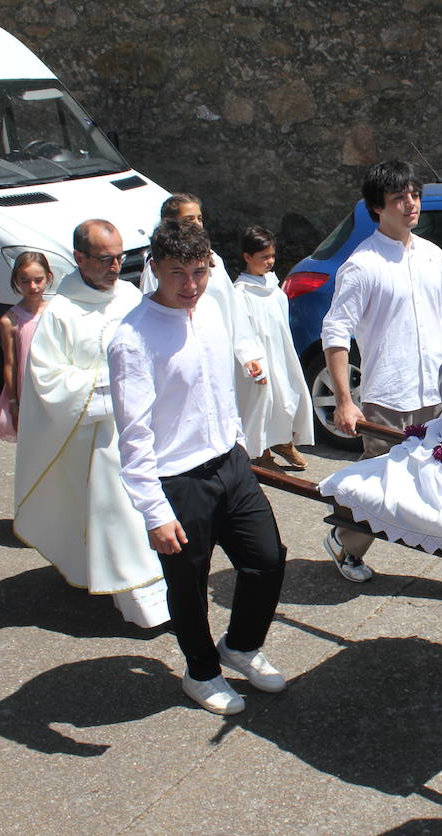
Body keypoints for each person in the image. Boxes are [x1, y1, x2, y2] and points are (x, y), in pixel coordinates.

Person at [109, 220, 288, 716]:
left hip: (229, 463)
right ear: (153, 270)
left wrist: (236, 441)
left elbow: (218, 386)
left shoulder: (210, 309)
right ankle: (201, 671)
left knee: (267, 560)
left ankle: (242, 645)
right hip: (177, 480)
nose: (190, 286)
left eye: (199, 271)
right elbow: (134, 434)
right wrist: (153, 510)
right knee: (188, 585)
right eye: (176, 274)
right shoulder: (132, 339)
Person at [319, 160, 442, 604]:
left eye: (415, 195)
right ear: (377, 208)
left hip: (438, 396)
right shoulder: (361, 265)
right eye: (400, 198)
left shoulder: (433, 255)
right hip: (388, 398)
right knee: (385, 494)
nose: (411, 204)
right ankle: (346, 544)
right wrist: (345, 400)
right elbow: (335, 333)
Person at [13, 219, 168, 627]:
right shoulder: (61, 311)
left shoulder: (131, 297)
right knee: (118, 514)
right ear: (79, 258)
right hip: (97, 437)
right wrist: (115, 387)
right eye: (105, 259)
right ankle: (141, 604)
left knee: (146, 511)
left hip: (143, 429)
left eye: (120, 257)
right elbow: (47, 378)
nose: (116, 266)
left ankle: (156, 590)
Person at [141, 193, 263, 385]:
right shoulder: (159, 267)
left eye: (200, 218)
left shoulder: (215, 260)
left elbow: (232, 308)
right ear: (170, 224)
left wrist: (248, 353)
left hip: (217, 352)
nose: (197, 224)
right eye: (189, 219)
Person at [233, 226, 313, 471]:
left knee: (287, 396)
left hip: (281, 350)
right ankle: (262, 452)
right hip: (260, 356)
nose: (269, 262)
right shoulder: (240, 293)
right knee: (263, 404)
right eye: (263, 257)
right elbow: (240, 330)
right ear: (247, 257)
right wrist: (253, 360)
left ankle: (284, 441)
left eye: (272, 256)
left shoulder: (272, 284)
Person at [0, 251, 52, 441]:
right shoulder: (10, 320)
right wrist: (13, 402)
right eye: (25, 281)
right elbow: (10, 363)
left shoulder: (55, 312)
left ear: (48, 277)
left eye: (38, 280)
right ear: (16, 281)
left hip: (52, 384)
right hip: (27, 391)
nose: (32, 287)